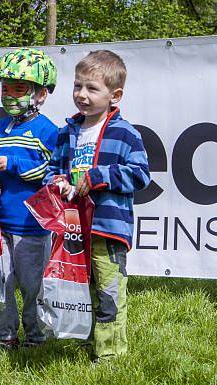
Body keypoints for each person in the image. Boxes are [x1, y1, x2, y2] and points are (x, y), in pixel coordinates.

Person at [44, 50, 150, 359]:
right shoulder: (66, 133)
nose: (82, 95)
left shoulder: (126, 134)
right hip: (73, 228)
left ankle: (110, 353)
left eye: (92, 88)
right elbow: (53, 170)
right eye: (78, 86)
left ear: (114, 96)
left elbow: (140, 175)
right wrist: (58, 182)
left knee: (108, 290)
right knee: (82, 289)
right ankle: (88, 342)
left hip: (107, 227)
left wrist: (98, 176)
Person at [0, 47, 59, 349]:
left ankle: (36, 337)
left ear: (40, 94)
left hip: (32, 225)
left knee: (32, 285)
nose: (10, 94)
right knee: (2, 281)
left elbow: (54, 169)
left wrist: (15, 165)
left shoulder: (48, 130)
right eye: (5, 88)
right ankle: (5, 335)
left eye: (19, 89)